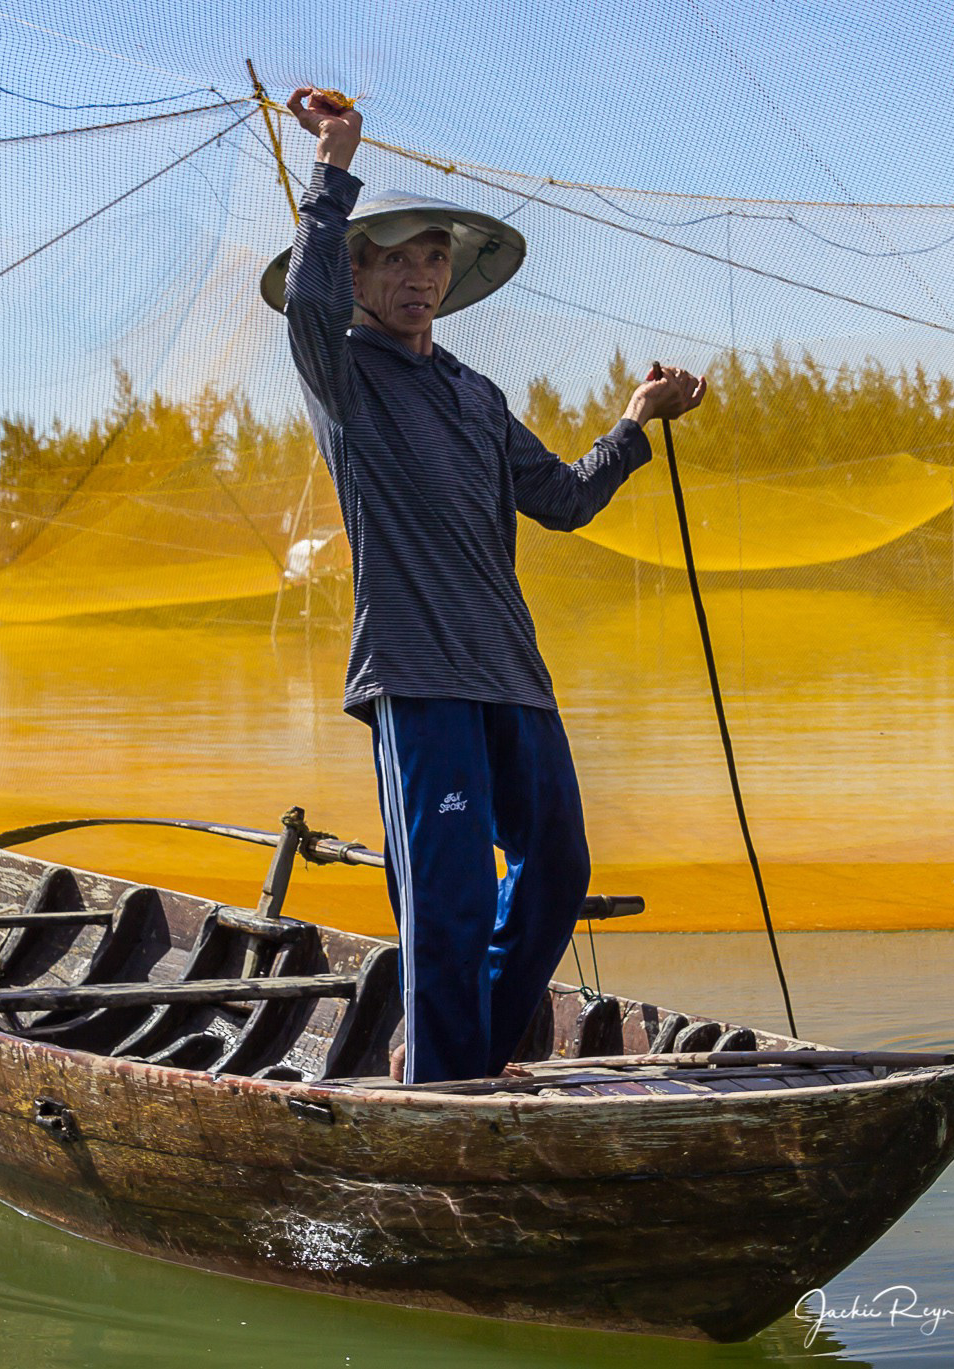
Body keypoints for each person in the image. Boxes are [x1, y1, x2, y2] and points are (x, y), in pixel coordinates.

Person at [262, 88, 705, 1084]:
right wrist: (332, 169)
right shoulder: (345, 374)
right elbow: (309, 300)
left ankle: (477, 1051)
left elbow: (560, 497)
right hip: (416, 679)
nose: (418, 275)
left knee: (556, 873)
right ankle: (444, 1089)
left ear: (449, 274)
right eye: (396, 259)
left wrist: (636, 423)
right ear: (359, 271)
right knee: (450, 898)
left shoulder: (474, 392)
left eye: (432, 257)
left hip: (512, 676)